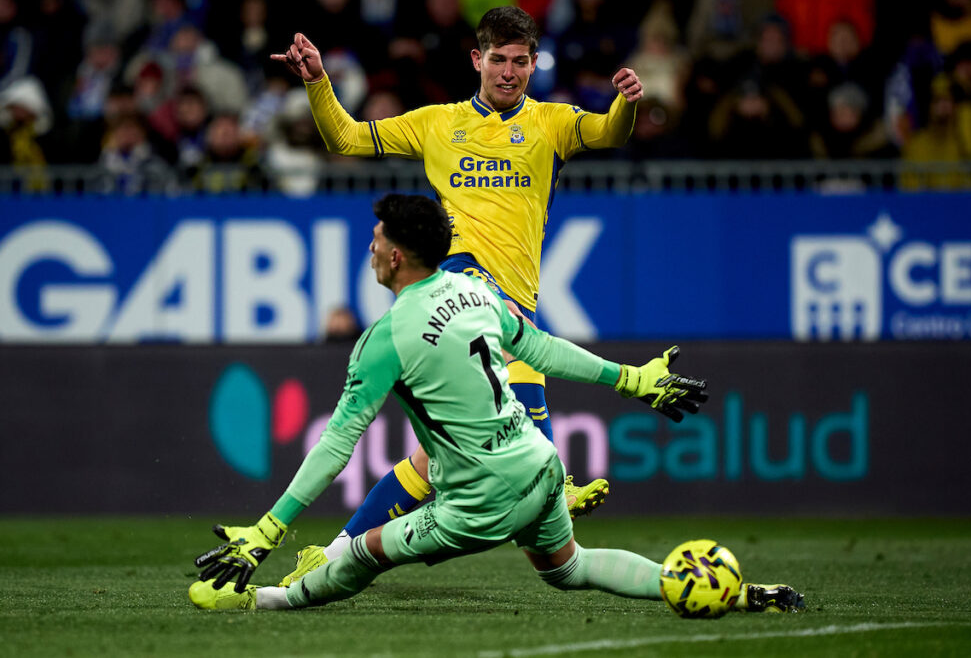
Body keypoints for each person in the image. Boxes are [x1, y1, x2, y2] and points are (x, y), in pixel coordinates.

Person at [188, 193, 804, 614]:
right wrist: (630, 380)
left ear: (396, 255)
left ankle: (256, 599)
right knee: (571, 567)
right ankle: (731, 591)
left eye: (376, 239)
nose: (370, 247)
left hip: (479, 500)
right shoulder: (475, 290)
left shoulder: (385, 340)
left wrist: (267, 529)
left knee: (365, 553)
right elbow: (543, 348)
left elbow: (337, 443)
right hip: (539, 463)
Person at [268, 5, 643, 579]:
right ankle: (553, 475)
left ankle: (334, 554)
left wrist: (625, 104)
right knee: (503, 328)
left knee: (429, 461)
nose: (509, 73)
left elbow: (609, 133)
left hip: (511, 300)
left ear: (534, 63)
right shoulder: (437, 122)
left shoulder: (552, 123)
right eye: (498, 60)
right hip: (456, 284)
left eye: (521, 62)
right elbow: (344, 136)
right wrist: (319, 82)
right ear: (478, 59)